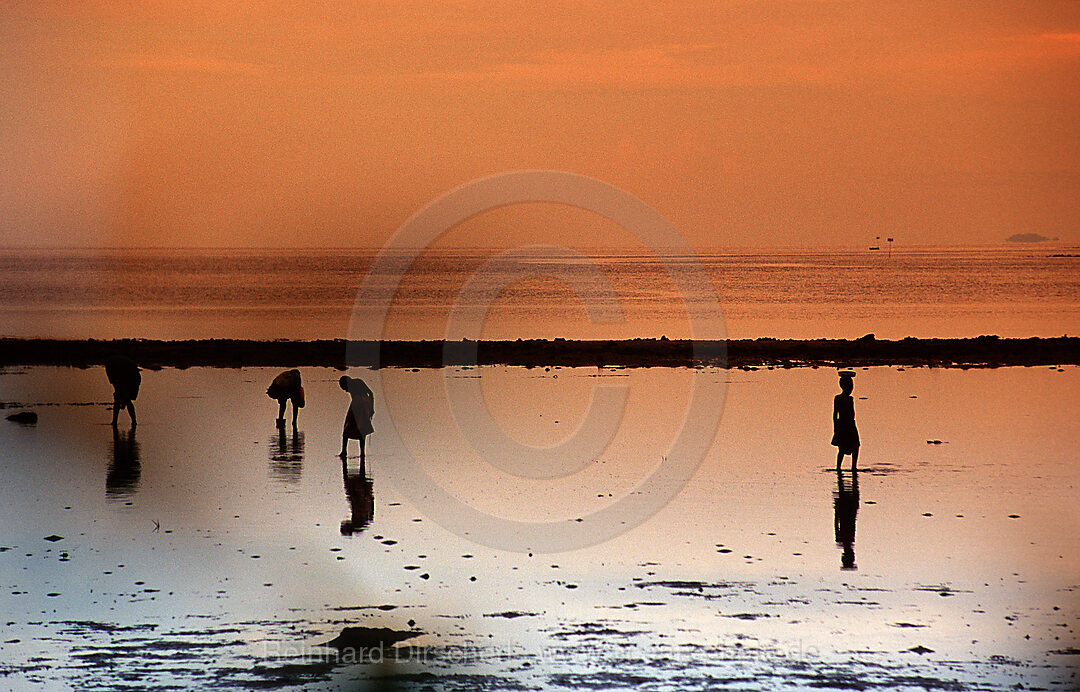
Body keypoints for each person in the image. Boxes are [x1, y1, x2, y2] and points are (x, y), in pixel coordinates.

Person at [338, 376, 374, 460]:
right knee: (362, 429)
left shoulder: (353, 386)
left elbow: (370, 393)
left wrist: (371, 408)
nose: (346, 390)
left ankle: (344, 451)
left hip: (358, 405)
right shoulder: (358, 382)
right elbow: (371, 393)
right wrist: (371, 407)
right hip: (365, 404)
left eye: (344, 388)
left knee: (347, 428)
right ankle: (362, 453)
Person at [832, 370, 860, 470]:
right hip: (843, 425)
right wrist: (836, 428)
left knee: (856, 446)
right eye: (849, 385)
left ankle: (854, 467)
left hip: (851, 425)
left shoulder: (850, 399)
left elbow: (852, 414)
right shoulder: (838, 398)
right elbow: (835, 414)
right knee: (842, 448)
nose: (851, 388)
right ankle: (838, 468)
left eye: (852, 386)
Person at [105, 354, 141, 427]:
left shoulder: (110, 364)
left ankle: (117, 422)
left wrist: (119, 395)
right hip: (133, 377)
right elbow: (115, 382)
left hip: (131, 378)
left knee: (124, 399)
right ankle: (130, 421)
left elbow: (114, 381)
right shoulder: (114, 361)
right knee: (122, 398)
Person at [834, 467, 859, 570]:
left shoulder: (842, 540)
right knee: (848, 483)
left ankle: (840, 470)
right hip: (848, 511)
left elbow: (836, 523)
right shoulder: (847, 540)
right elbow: (852, 522)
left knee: (842, 484)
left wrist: (836, 510)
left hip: (845, 511)